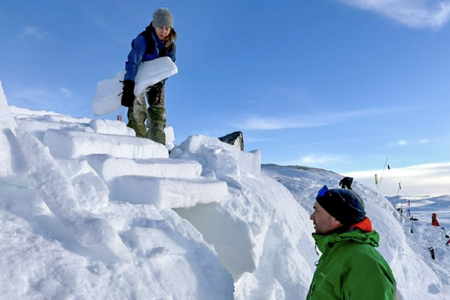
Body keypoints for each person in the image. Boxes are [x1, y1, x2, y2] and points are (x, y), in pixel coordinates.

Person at [307, 185, 396, 300]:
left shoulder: (364, 262)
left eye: (317, 211)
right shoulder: (336, 252)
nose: (311, 216)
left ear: (338, 218)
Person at [121, 7, 177, 144]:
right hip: (138, 77)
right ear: (154, 25)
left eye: (167, 28)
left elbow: (168, 68)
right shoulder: (143, 39)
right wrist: (128, 85)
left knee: (158, 113)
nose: (164, 32)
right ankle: (137, 144)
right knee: (137, 111)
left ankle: (157, 146)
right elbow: (133, 61)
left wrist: (160, 83)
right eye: (160, 27)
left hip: (157, 81)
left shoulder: (171, 47)